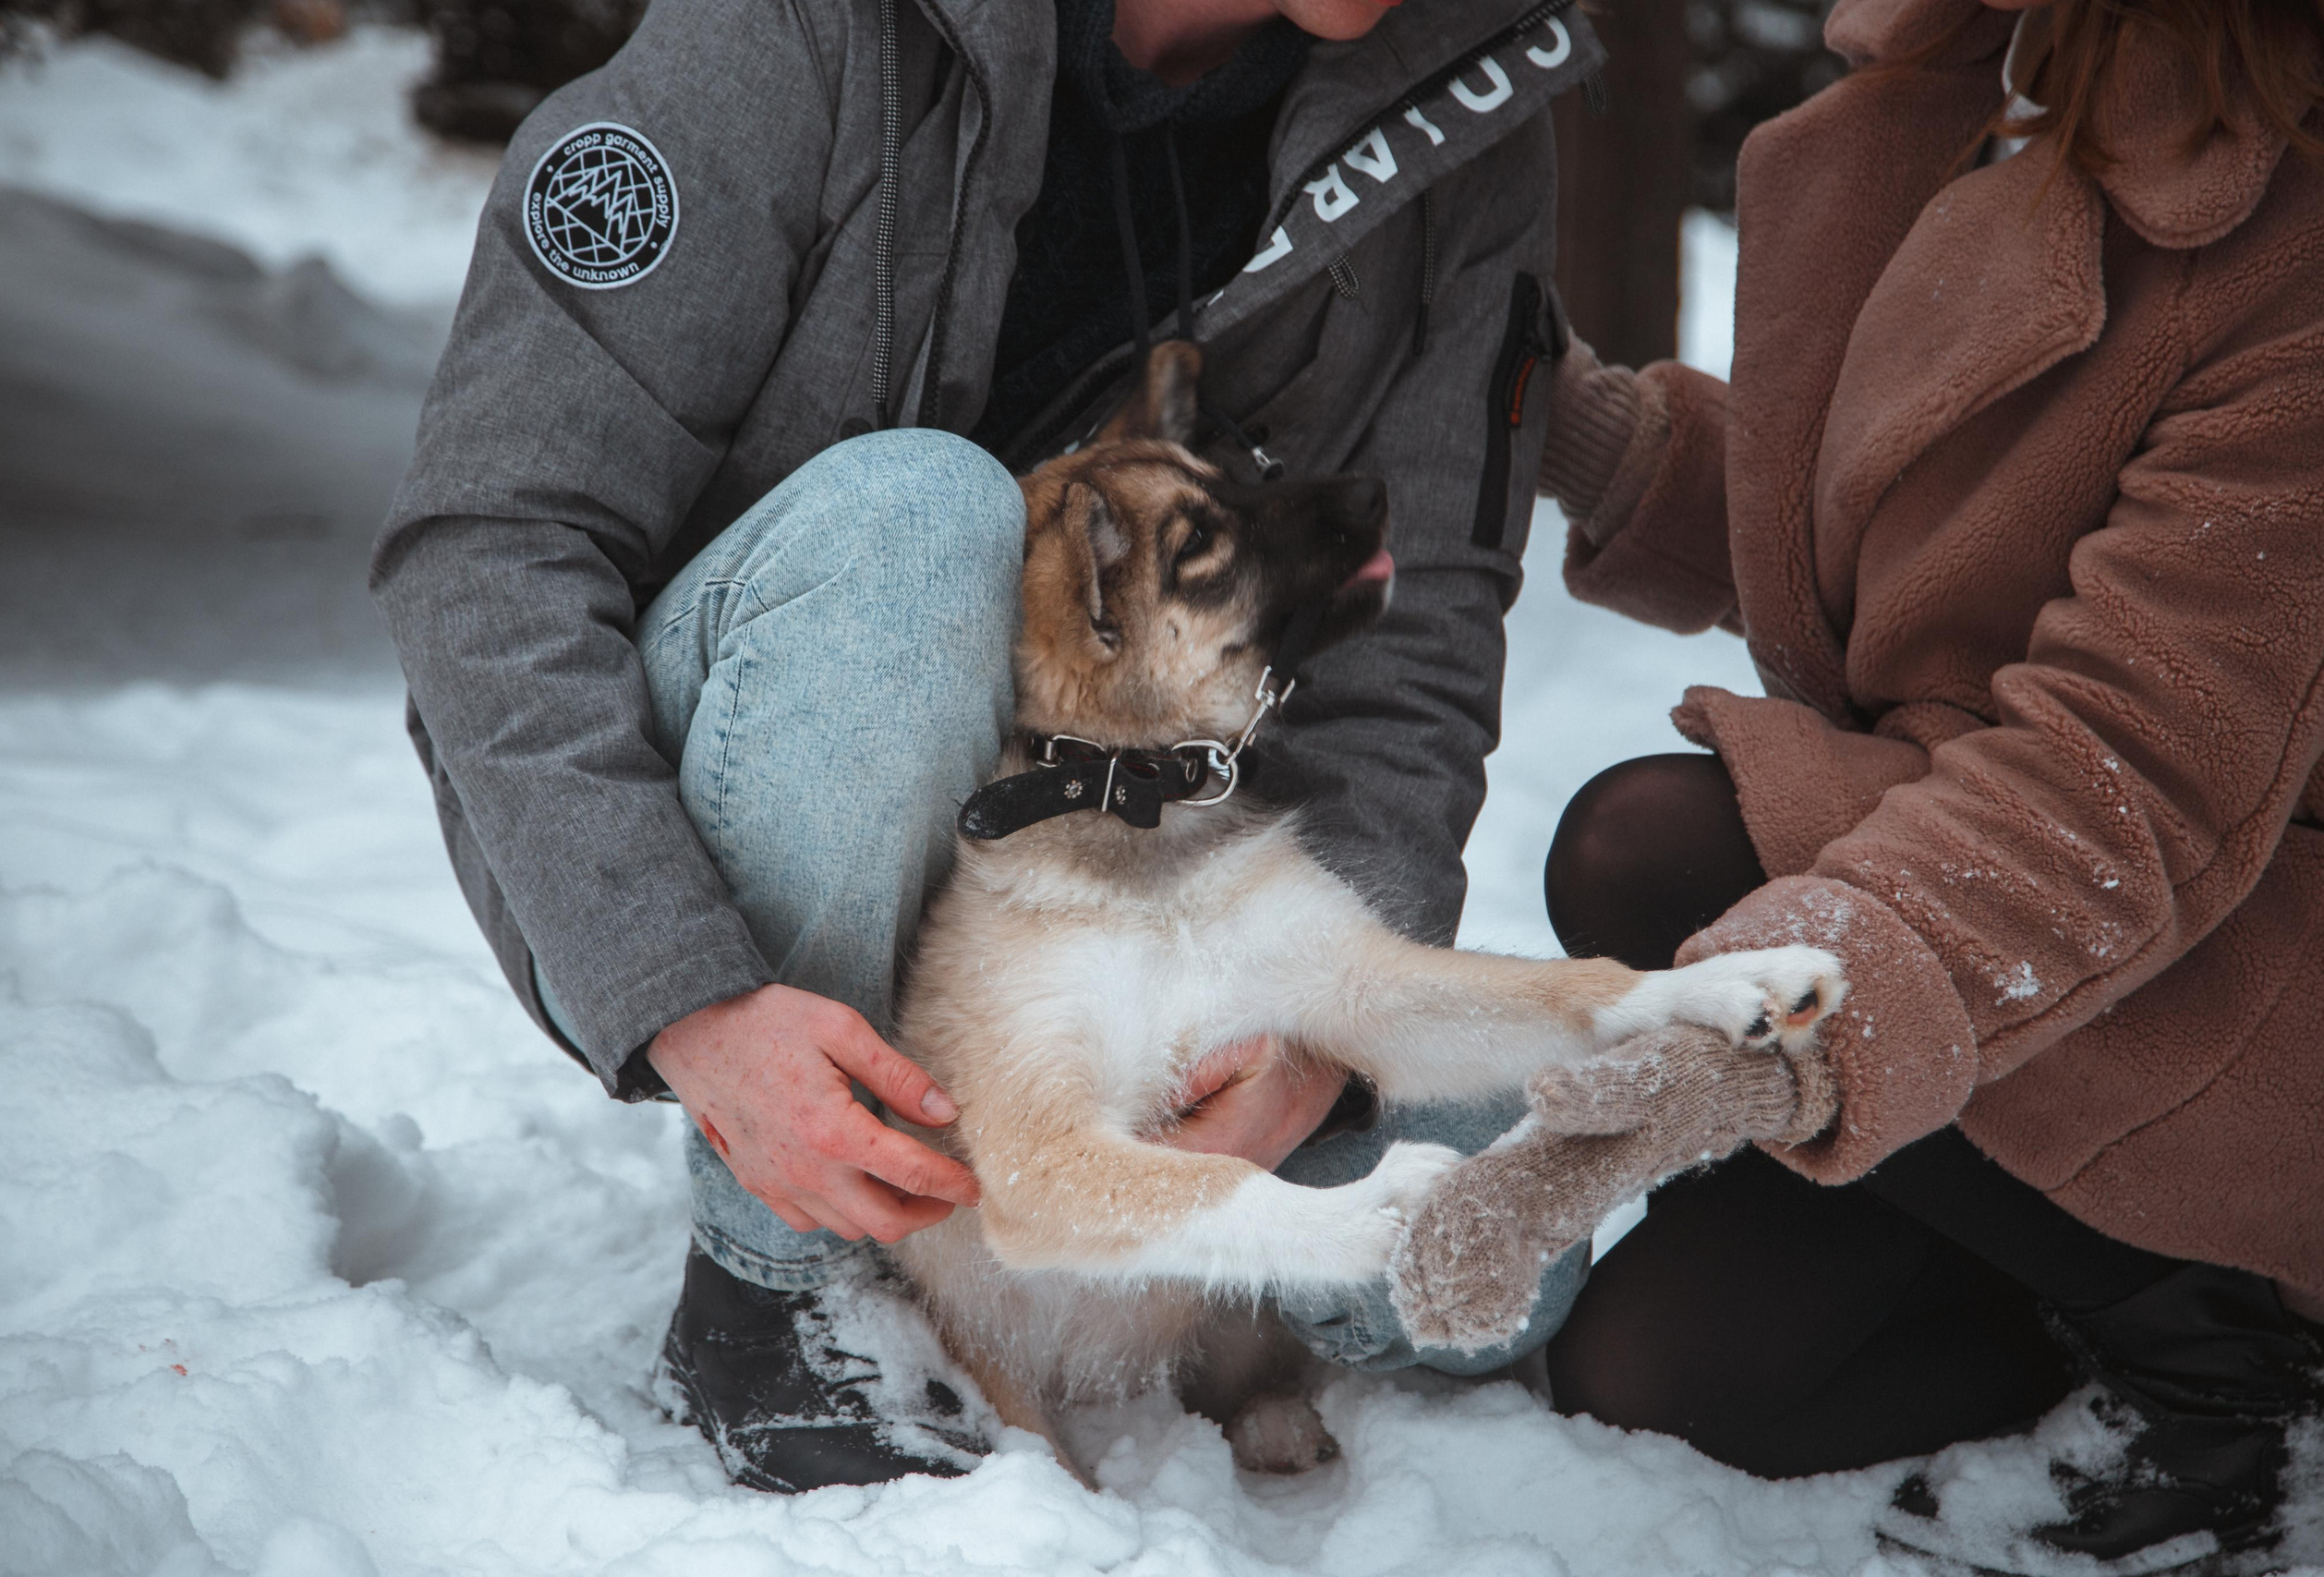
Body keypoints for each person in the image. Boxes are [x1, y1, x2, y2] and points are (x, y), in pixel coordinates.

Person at [373, 0, 1604, 1493]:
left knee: (1502, 1248)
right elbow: (491, 542)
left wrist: (1312, 1051)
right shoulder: (798, 32)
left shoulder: (1460, 91)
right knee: (924, 522)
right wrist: (682, 993)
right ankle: (786, 1276)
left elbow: (1403, 624)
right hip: (767, 799)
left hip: (1119, 896)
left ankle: (1125, 1244)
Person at [1521, 0, 2324, 1565]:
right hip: (2025, 980)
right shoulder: (1988, 83)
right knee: (1652, 1383)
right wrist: (1594, 441)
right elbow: (1927, 569)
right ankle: (2104, 1302)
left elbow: (2130, 774)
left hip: (2243, 1004)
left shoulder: (2322, 232)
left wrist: (1805, 1020)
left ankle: (2253, 1389)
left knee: (1656, 849)